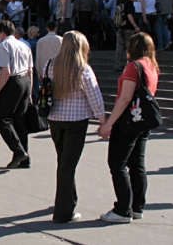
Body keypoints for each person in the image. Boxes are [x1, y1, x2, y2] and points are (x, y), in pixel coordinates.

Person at [98, 32, 159, 223]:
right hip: (142, 120)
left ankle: (123, 209)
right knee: (137, 164)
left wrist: (109, 123)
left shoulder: (134, 66)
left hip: (128, 120)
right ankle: (137, 207)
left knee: (117, 163)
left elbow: (125, 98)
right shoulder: (151, 65)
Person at [46, 31, 106, 223]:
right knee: (68, 165)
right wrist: (103, 120)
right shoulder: (83, 69)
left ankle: (66, 201)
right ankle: (64, 211)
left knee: (63, 162)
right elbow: (94, 96)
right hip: (76, 120)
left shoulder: (52, 65)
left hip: (55, 118)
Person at [0, 20, 33, 169]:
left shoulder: (4, 45)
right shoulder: (23, 44)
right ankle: (25, 157)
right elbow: (30, 69)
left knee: (2, 118)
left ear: (2, 33)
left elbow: (6, 71)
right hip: (25, 81)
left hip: (13, 81)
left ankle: (18, 151)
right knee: (20, 120)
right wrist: (30, 91)